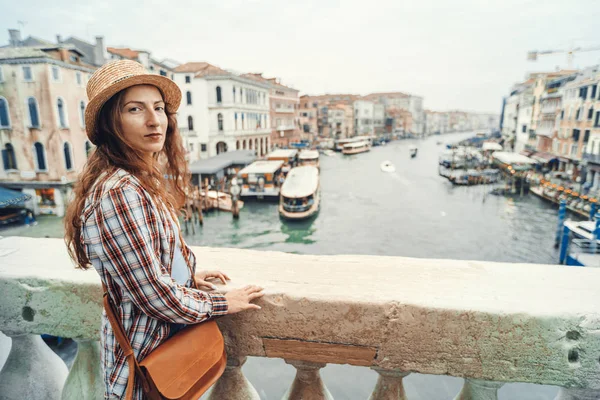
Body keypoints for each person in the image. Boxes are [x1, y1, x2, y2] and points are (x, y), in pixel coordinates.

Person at [64, 60, 264, 399]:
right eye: (135, 109)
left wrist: (187, 278)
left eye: (158, 108)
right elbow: (155, 297)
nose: (154, 119)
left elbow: (142, 270)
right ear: (111, 123)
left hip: (154, 358)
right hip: (145, 369)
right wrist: (223, 303)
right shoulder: (119, 192)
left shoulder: (135, 180)